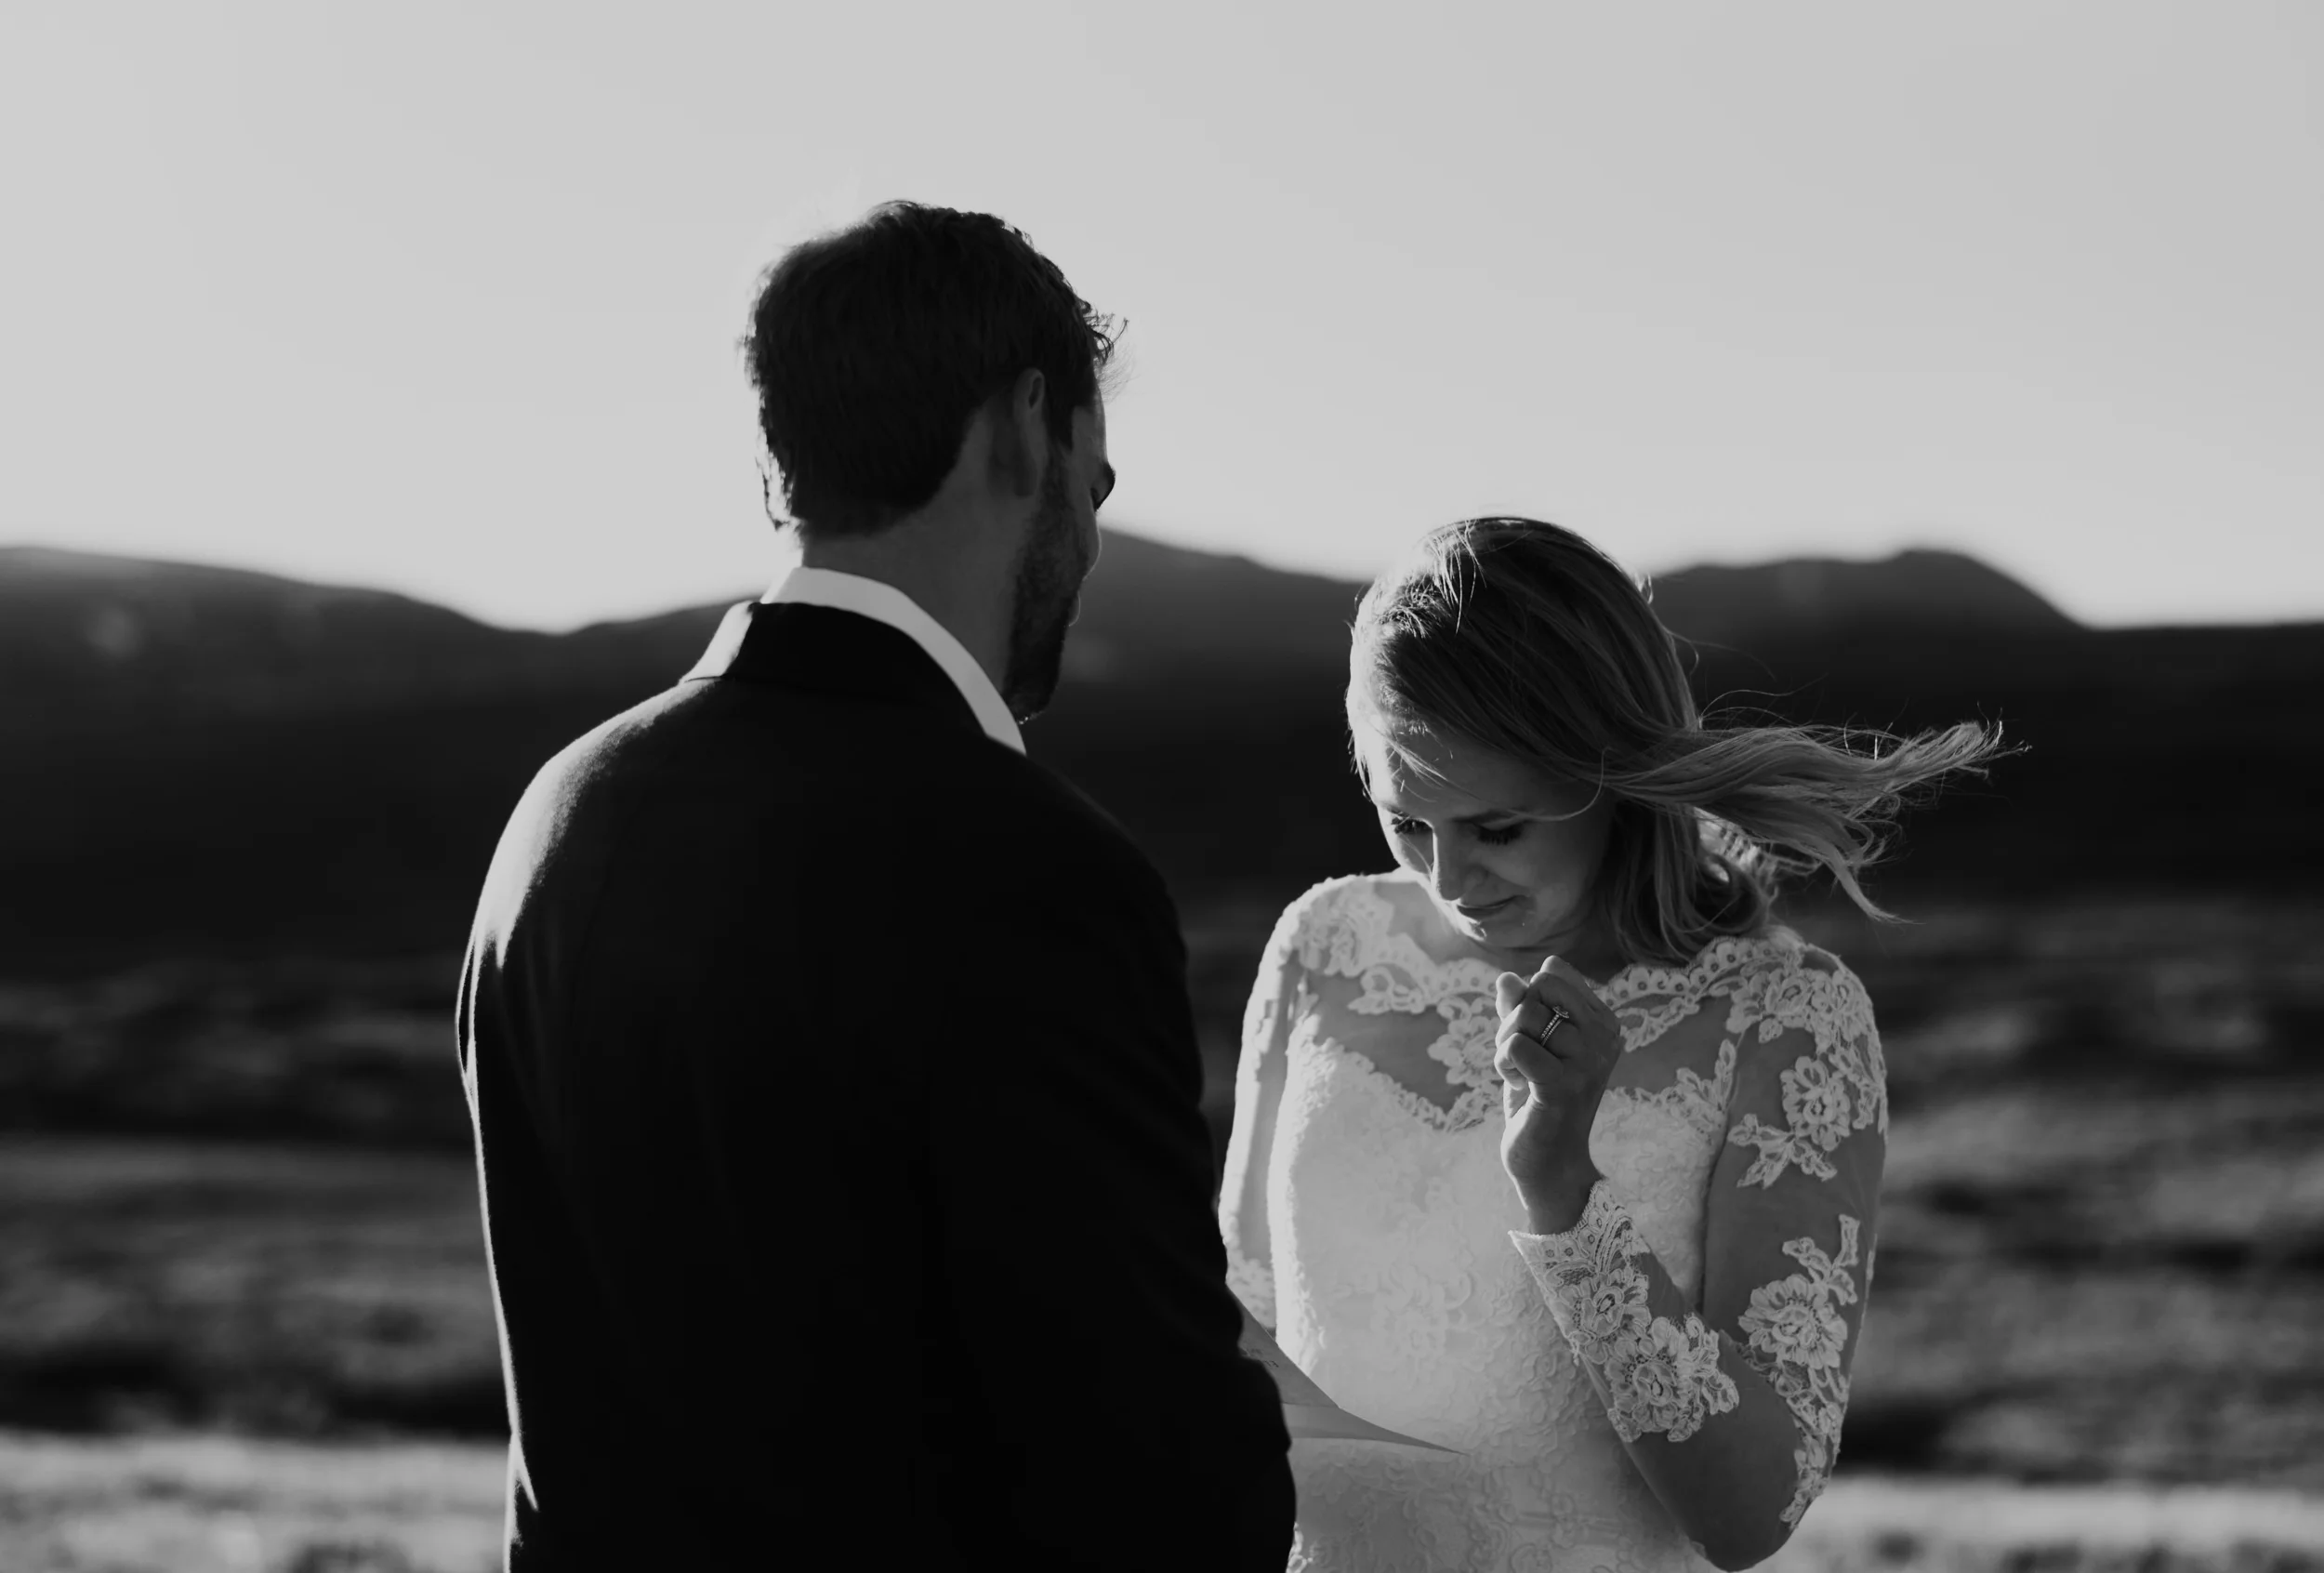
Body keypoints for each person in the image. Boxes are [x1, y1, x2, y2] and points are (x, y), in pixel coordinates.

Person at [457, 202, 1293, 1570]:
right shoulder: (1031, 874)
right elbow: (1161, 1486)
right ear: (1023, 426)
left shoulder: (558, 820)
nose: (1086, 529)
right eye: (1096, 476)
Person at [1219, 517, 2006, 1571]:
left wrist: (1567, 1198)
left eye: (1498, 828)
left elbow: (1748, 1513)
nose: (1452, 882)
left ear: (1613, 775)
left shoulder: (1786, 1019)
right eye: (1407, 822)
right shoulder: (1323, 943)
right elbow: (1240, 1320)